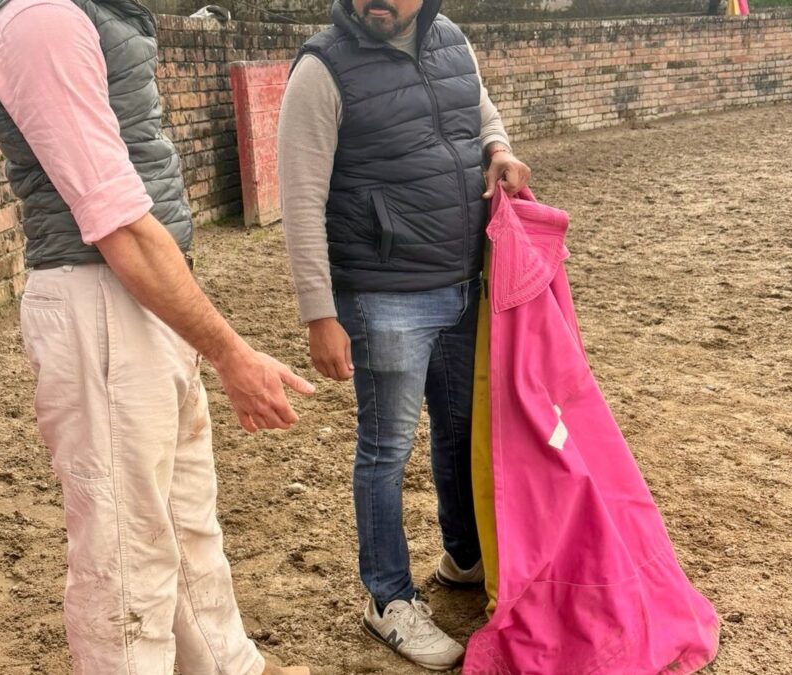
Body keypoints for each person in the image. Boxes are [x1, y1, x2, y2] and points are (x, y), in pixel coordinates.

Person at [0, 0, 313, 673]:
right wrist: (229, 350)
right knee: (125, 555)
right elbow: (117, 224)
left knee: (184, 524)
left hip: (135, 299)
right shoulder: (44, 19)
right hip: (102, 300)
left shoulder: (94, 13)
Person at [278, 0, 530, 669]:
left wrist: (499, 150)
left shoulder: (452, 42)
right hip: (382, 294)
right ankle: (388, 596)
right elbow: (299, 197)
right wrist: (318, 313)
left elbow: (480, 114)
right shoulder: (321, 68)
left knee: (459, 427)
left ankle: (464, 556)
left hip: (462, 281)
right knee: (385, 449)